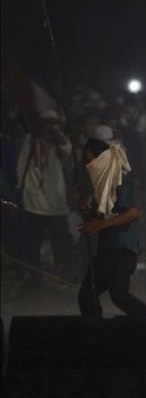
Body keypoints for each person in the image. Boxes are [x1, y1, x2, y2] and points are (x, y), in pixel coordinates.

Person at [77, 138, 146, 317]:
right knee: (87, 295)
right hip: (107, 249)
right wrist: (89, 215)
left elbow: (133, 213)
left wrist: (100, 224)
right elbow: (104, 216)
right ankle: (96, 333)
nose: (88, 166)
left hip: (121, 248)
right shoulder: (100, 185)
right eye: (86, 162)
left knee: (119, 295)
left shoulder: (119, 179)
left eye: (91, 161)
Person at [16, 110, 74, 281]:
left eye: (53, 123)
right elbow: (21, 166)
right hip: (34, 201)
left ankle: (63, 271)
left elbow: (67, 154)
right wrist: (22, 189)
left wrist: (58, 139)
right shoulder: (31, 140)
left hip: (56, 202)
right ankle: (34, 272)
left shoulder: (62, 141)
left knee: (60, 240)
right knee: (34, 239)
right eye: (46, 123)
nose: (50, 127)